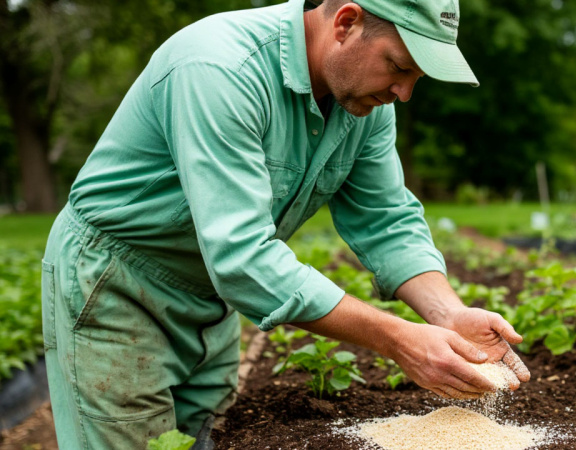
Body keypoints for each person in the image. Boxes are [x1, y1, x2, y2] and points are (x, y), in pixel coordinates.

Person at [40, 0, 530, 447]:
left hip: (209, 300)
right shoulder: (220, 69)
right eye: (399, 67)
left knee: (204, 438)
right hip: (118, 285)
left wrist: (447, 315)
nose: (403, 93)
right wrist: (399, 339)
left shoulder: (365, 103)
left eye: (416, 78)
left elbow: (385, 217)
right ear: (346, 22)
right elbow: (242, 256)